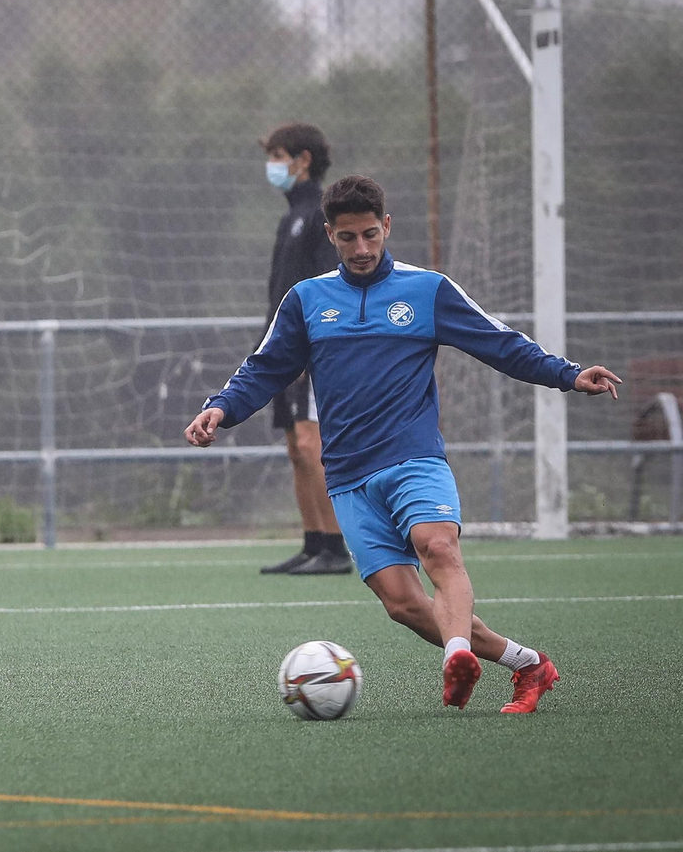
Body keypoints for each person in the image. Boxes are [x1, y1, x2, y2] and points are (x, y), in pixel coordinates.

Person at [184, 175, 621, 713]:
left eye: (371, 234)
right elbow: (265, 367)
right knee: (404, 604)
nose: (362, 248)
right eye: (348, 238)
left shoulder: (427, 289)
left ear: (387, 226)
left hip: (414, 457)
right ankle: (529, 665)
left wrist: (569, 375)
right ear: (331, 236)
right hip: (346, 475)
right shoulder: (307, 300)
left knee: (437, 547)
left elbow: (501, 343)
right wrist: (220, 408)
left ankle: (457, 655)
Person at [257, 122, 352, 575]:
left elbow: (324, 289)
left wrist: (306, 348)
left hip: (309, 351)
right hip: (281, 349)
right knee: (295, 446)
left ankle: (336, 547)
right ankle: (313, 542)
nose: (271, 165)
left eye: (277, 155)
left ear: (302, 160)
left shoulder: (319, 214)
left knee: (313, 442)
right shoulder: (290, 216)